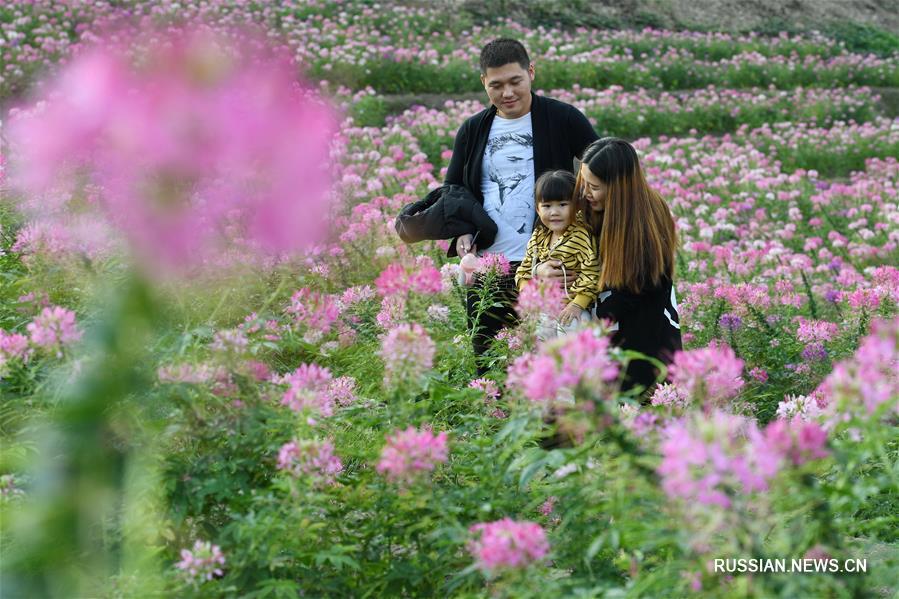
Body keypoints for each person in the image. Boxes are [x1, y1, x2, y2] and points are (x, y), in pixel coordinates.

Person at [444, 38, 599, 374]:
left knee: (553, 365)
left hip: (550, 268)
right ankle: (495, 425)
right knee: (489, 363)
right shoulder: (473, 129)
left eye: (516, 81)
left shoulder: (563, 118)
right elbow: (454, 190)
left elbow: (604, 168)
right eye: (496, 85)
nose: (507, 93)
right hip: (489, 268)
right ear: (483, 82)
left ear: (531, 72)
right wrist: (462, 233)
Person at [537, 137, 682, 394]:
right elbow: (551, 239)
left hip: (641, 337)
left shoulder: (647, 218)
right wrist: (541, 269)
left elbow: (638, 290)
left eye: (594, 187)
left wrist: (588, 322)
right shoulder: (591, 207)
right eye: (583, 182)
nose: (584, 193)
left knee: (636, 411)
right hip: (599, 326)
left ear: (618, 188)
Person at [515, 170, 599, 339]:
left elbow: (592, 272)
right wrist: (529, 296)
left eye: (562, 204)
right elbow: (522, 272)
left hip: (573, 310)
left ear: (576, 205)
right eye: (546, 206)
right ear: (537, 210)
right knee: (540, 347)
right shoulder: (538, 236)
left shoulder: (580, 235)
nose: (554, 212)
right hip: (544, 309)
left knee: (572, 344)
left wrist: (577, 305)